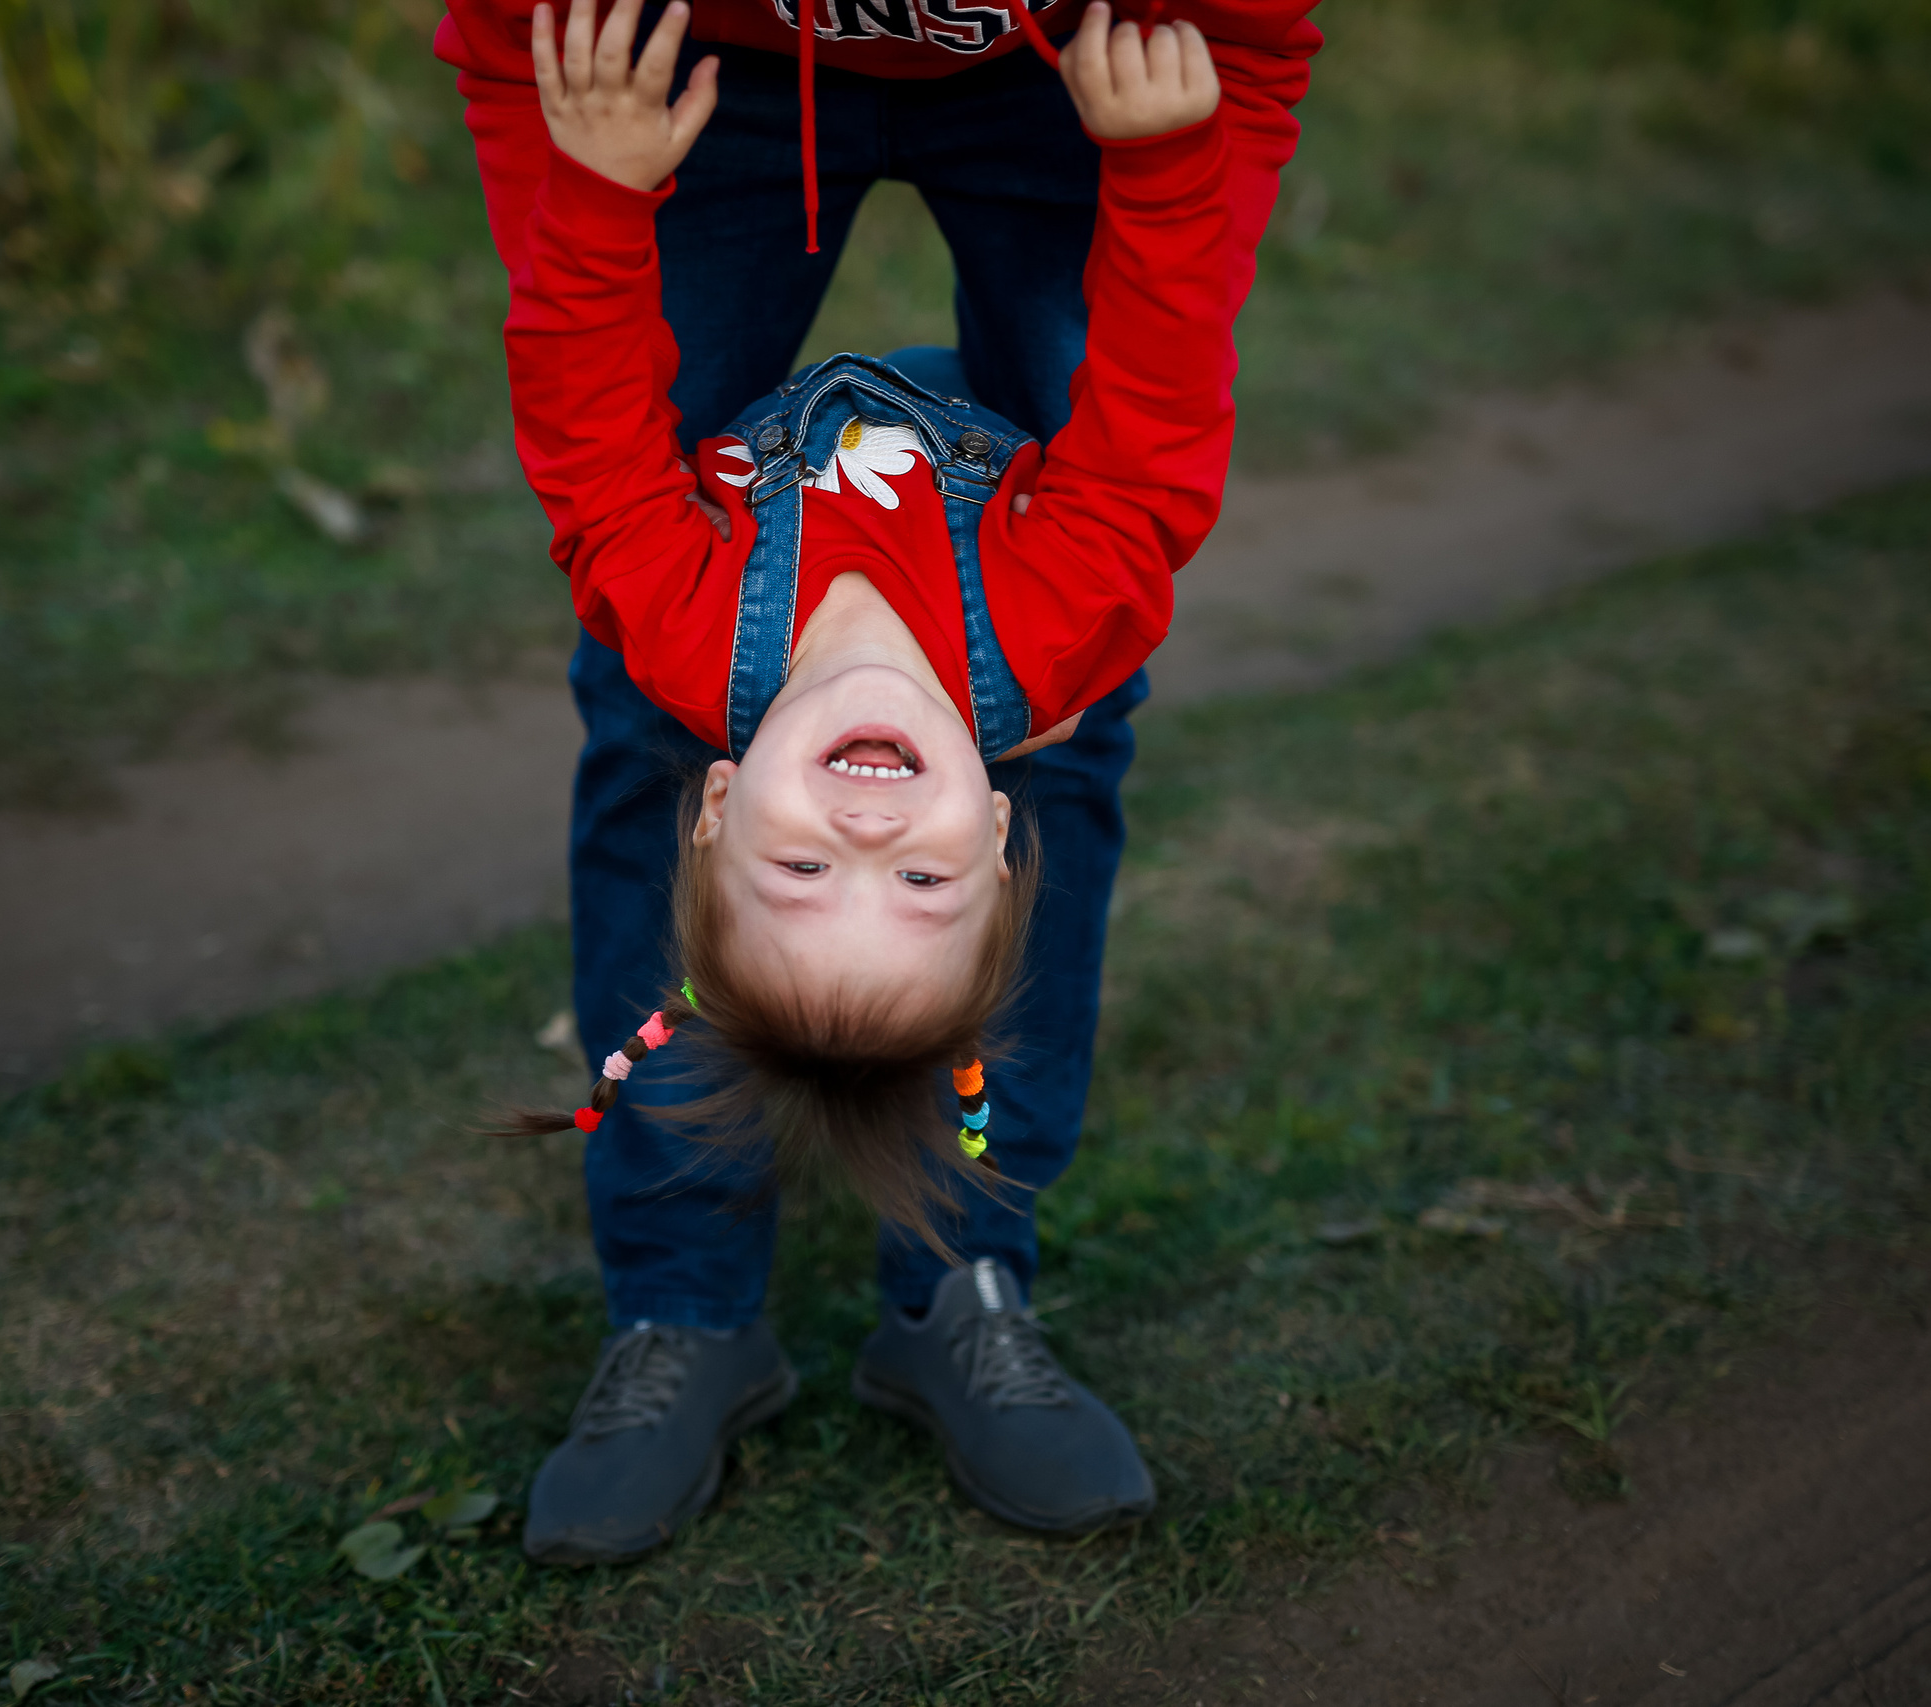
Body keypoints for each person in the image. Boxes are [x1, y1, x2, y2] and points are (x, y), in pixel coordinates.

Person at [437, 0, 1317, 1564]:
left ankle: (955, 1289)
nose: (861, 834)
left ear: (726, 810)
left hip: (762, 103)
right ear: (989, 825)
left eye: (799, 871)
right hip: (1051, 94)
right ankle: (692, 1309)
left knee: (635, 701)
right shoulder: (1060, 623)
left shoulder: (685, 633)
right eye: (919, 880)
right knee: (1084, 708)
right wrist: (1168, 167)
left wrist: (603, 187)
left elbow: (588, 430)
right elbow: (1153, 412)